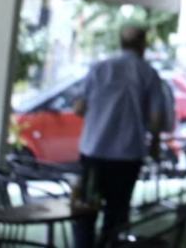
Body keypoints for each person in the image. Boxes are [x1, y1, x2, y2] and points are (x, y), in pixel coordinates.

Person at [72, 25, 167, 248]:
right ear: (143, 45)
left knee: (86, 212)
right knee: (117, 215)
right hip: (128, 156)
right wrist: (154, 144)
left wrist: (100, 113)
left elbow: (78, 107)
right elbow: (156, 118)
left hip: (94, 152)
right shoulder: (148, 73)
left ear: (121, 43)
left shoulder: (99, 68)